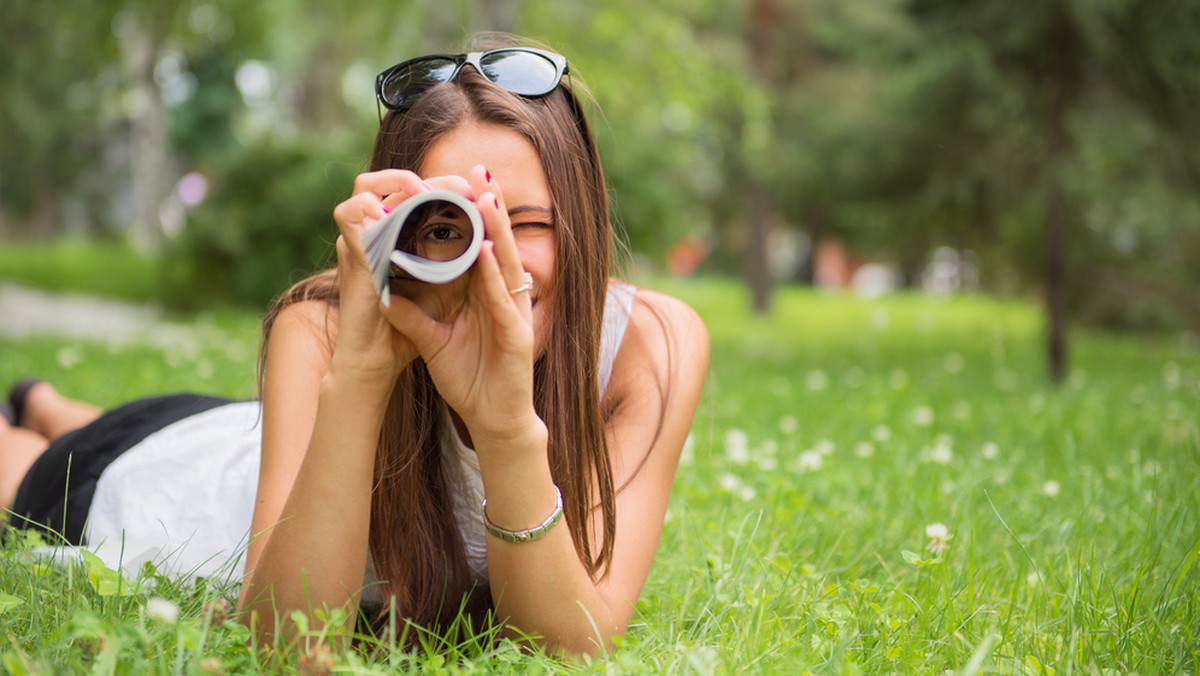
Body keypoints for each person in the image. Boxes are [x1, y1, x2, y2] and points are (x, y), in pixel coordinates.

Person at [0, 37, 709, 656]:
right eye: (447, 228)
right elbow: (285, 647)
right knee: (44, 456)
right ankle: (42, 414)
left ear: (580, 224)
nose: (497, 263)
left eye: (525, 224)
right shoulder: (327, 329)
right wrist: (364, 373)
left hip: (232, 436)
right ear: (392, 237)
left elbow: (570, 645)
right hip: (162, 485)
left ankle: (41, 398)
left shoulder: (652, 347)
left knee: (90, 416)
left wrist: (502, 423)